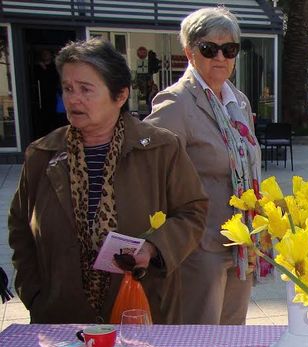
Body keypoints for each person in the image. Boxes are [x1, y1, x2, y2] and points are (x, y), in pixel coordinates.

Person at [8, 38, 208, 324]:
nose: (73, 99)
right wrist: (34, 294)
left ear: (120, 95)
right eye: (68, 88)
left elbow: (193, 211)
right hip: (61, 317)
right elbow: (20, 228)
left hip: (142, 310)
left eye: (85, 89)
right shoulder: (42, 154)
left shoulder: (161, 148)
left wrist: (154, 247)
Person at [146, 6, 262, 325]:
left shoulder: (238, 101)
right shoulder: (175, 102)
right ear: (190, 52)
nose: (220, 57)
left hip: (241, 240)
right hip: (201, 246)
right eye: (209, 49)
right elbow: (150, 171)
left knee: (233, 335)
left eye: (230, 49)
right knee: (200, 338)